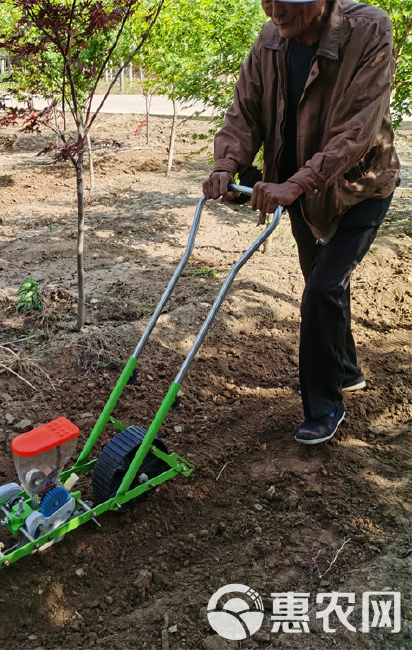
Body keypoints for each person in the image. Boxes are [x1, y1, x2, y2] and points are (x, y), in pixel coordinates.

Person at [202, 0, 400, 444]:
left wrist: (297, 183)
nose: (272, 8)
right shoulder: (270, 40)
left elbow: (358, 128)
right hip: (300, 191)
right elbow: (244, 111)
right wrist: (226, 165)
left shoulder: (368, 29)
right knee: (321, 281)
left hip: (359, 186)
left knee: (323, 288)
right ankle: (346, 369)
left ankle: (324, 406)